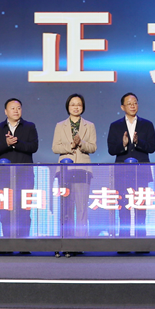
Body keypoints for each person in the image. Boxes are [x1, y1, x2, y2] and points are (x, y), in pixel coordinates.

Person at [107, 93, 155, 237]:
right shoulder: (115, 126)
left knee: (141, 208)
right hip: (122, 173)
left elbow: (152, 147)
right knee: (124, 209)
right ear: (122, 107)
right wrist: (123, 145)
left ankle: (141, 240)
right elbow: (111, 150)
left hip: (141, 173)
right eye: (129, 104)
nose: (133, 106)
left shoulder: (147, 124)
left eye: (135, 103)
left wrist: (137, 142)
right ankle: (124, 240)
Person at [0, 98, 39, 241]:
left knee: (24, 210)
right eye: (13, 108)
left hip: (25, 175)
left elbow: (33, 147)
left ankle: (23, 243)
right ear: (6, 111)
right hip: (4, 176)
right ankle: (7, 242)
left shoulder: (29, 126)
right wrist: (6, 143)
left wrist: (15, 143)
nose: (16, 111)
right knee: (5, 210)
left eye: (18, 108)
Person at [52, 94, 97, 238]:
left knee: (82, 208)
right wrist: (71, 145)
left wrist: (81, 143)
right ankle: (67, 239)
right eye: (73, 104)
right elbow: (55, 148)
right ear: (68, 107)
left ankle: (81, 239)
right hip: (65, 170)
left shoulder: (89, 125)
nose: (76, 107)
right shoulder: (60, 125)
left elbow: (93, 147)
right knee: (67, 208)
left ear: (83, 107)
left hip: (83, 170)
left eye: (79, 104)